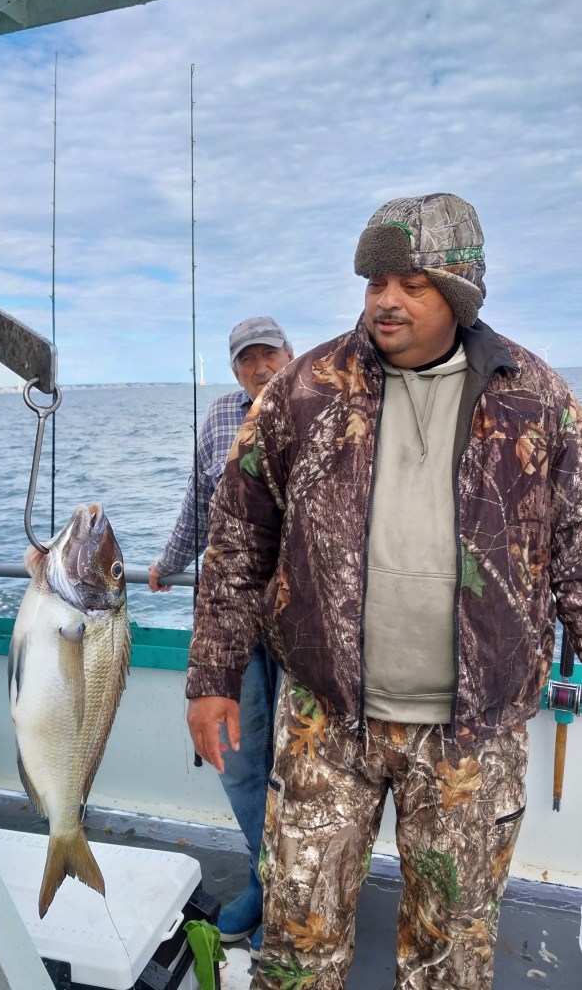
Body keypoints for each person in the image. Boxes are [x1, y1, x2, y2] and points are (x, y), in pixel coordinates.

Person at [185, 193, 582, 990]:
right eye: (374, 283)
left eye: (411, 284)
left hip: (473, 737)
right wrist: (213, 678)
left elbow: (576, 554)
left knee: (448, 964)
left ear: (461, 293)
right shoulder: (302, 391)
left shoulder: (539, 402)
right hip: (325, 723)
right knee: (296, 952)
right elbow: (237, 540)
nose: (386, 301)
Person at [149, 317, 294, 958]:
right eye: (246, 360)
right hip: (232, 629)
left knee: (298, 770)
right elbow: (199, 505)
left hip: (302, 631)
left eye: (269, 355)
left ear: (290, 355)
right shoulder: (216, 420)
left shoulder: (320, 406)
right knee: (239, 764)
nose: (259, 368)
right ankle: (269, 881)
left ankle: (295, 899)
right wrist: (168, 564)